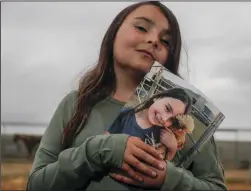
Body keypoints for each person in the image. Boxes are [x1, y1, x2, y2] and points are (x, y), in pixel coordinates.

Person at [27, 1, 226, 191]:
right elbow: (36, 185)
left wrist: (168, 179)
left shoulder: (182, 122)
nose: (154, 40)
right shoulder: (76, 104)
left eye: (165, 41)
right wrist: (98, 150)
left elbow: (215, 186)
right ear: (114, 32)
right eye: (141, 28)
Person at [106, 88, 193, 161]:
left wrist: (172, 149)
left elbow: (159, 164)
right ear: (158, 97)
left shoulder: (165, 136)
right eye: (167, 108)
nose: (164, 118)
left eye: (172, 120)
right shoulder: (124, 115)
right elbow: (103, 142)